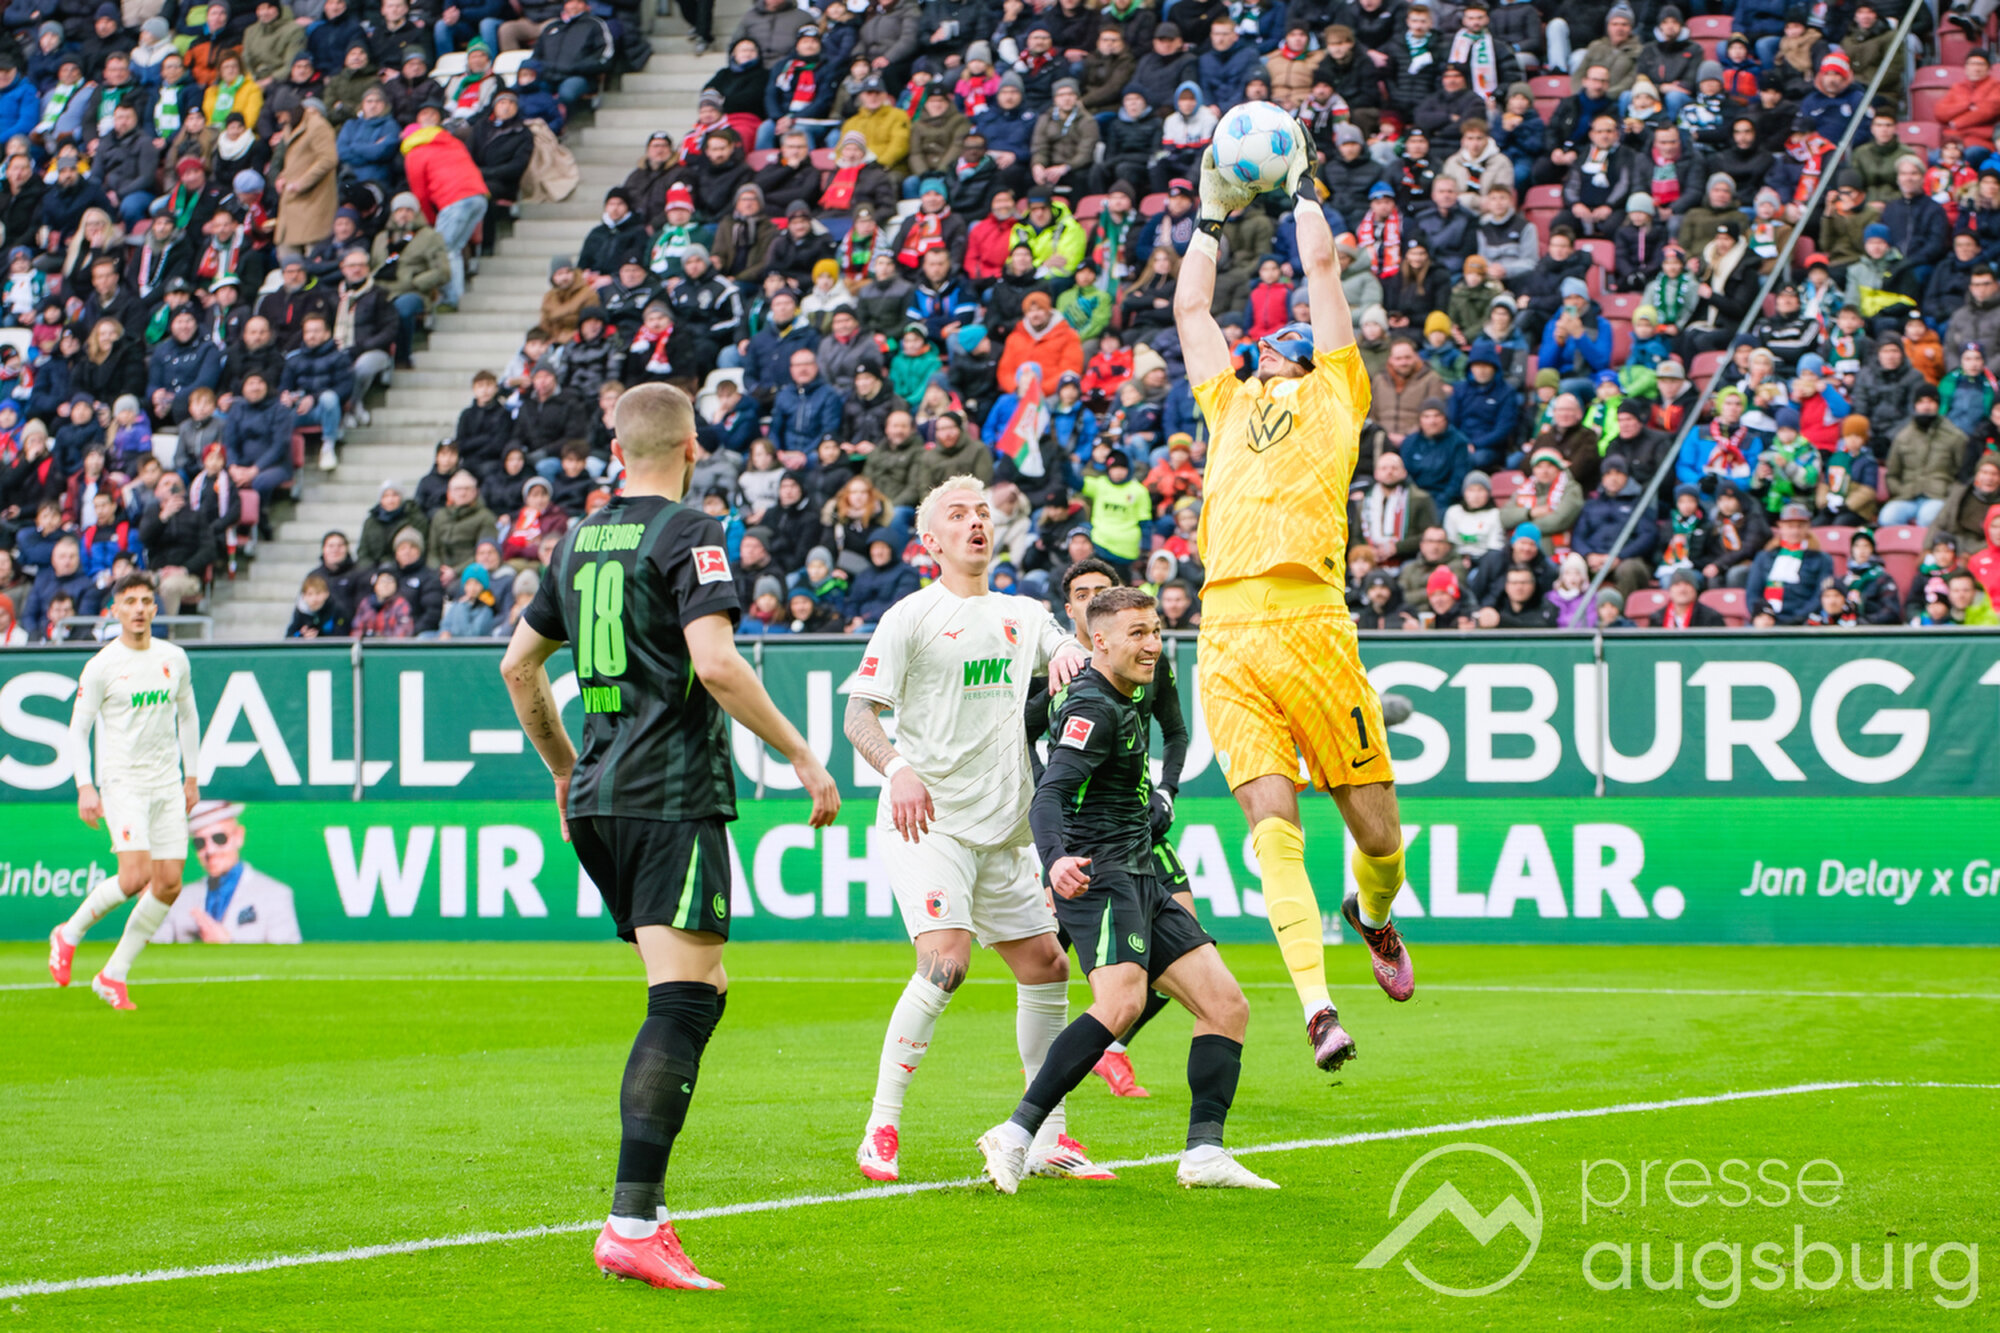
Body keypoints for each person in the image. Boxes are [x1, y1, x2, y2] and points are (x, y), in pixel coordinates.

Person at [499, 382, 837, 1291]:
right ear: (693, 446)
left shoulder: (576, 539)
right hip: (669, 793)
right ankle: (633, 1220)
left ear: (617, 451)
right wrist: (802, 754)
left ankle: (640, 1210)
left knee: (702, 987)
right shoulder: (691, 531)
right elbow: (716, 664)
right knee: (682, 1000)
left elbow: (518, 666)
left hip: (599, 796)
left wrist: (563, 767)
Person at [1174, 114, 1412, 1074]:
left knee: (1378, 837)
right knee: (1271, 826)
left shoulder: (1337, 397)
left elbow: (1322, 271)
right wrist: (1208, 220)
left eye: (1285, 339)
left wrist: (1304, 186)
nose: (1268, 344)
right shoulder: (1228, 402)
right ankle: (1318, 1008)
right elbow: (1192, 313)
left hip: (1314, 621)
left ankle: (1373, 912)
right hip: (1227, 627)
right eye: (1265, 339)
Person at [843, 476, 1100, 1186]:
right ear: (931, 541)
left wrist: (1068, 652)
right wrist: (897, 768)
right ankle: (881, 1126)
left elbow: (1066, 649)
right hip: (929, 823)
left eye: (983, 512)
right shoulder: (911, 616)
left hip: (1005, 832)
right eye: (957, 515)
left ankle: (1048, 1137)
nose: (975, 522)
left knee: (1047, 966)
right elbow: (859, 715)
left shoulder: (1024, 613)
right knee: (946, 963)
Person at [977, 586, 1272, 1193]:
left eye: (1155, 631)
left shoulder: (1131, 691)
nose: (1152, 644)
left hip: (1142, 871)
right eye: (1137, 633)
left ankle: (1204, 1153)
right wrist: (1055, 860)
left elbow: (1172, 735)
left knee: (1225, 1006)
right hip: (1100, 876)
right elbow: (1050, 794)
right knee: (1121, 1005)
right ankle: (1016, 1133)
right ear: (1099, 642)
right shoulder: (1092, 706)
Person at [1023, 559, 1189, 1099]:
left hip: (1141, 829)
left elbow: (1176, 732)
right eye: (1083, 592)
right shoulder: (1058, 674)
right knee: (1050, 964)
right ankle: (1039, 1095)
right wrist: (1047, 794)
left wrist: (1166, 791)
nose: (1093, 596)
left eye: (1103, 589)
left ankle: (1112, 1047)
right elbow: (1020, 734)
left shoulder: (1145, 660)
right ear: (1072, 611)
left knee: (1186, 949)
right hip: (1083, 841)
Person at [48, 572, 201, 1011]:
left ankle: (113, 974)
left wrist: (191, 776)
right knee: (135, 877)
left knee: (169, 883)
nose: (139, 609)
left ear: (155, 608)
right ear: (114, 610)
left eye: (146, 601)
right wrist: (85, 786)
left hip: (167, 783)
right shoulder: (102, 666)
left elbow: (188, 716)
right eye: (130, 601)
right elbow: (77, 730)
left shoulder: (174, 658)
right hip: (123, 782)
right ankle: (69, 932)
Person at [152, 800, 303, 943]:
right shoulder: (178, 899)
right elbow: (153, 952)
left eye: (219, 838)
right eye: (200, 843)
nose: (210, 850)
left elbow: (289, 959)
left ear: (239, 836)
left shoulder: (275, 896)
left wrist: (230, 945)